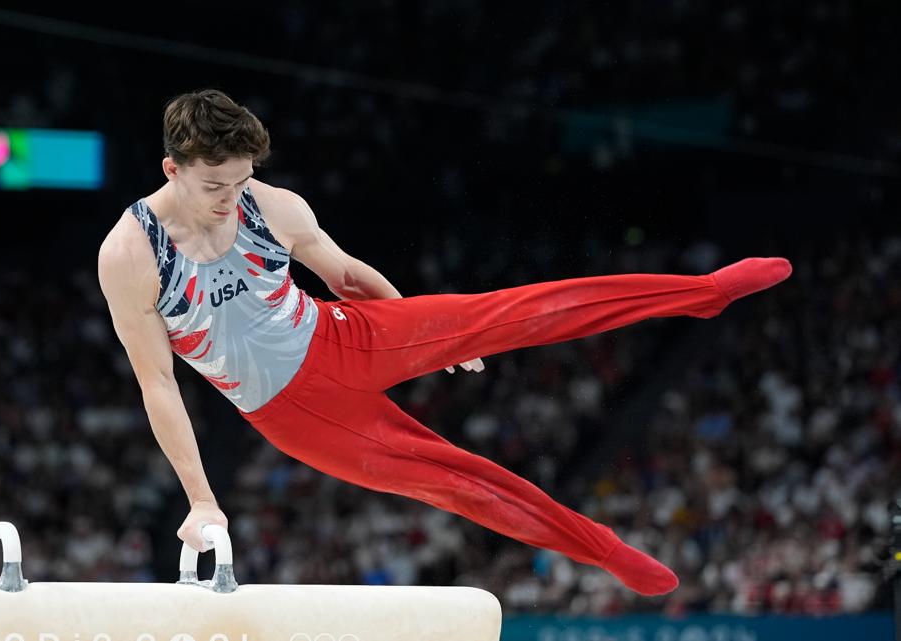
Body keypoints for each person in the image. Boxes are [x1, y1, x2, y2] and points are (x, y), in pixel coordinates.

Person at [96, 89, 792, 596]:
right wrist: (202, 499)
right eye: (217, 184)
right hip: (296, 413)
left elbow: (343, 275)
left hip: (343, 335)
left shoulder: (271, 205)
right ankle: (605, 550)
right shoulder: (132, 255)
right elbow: (159, 383)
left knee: (511, 310)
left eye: (241, 180)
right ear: (172, 169)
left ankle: (701, 293)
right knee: (457, 479)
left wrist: (429, 331)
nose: (231, 197)